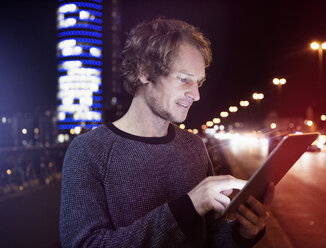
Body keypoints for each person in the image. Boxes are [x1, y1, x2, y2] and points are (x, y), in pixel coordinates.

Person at [59, 17, 275, 247]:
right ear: (143, 71)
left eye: (198, 83)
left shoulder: (194, 146)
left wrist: (241, 234)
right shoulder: (88, 151)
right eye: (184, 80)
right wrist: (189, 206)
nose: (196, 94)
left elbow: (208, 236)